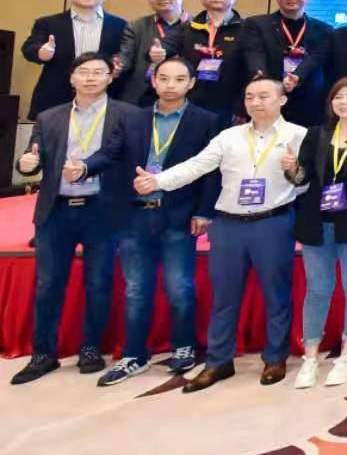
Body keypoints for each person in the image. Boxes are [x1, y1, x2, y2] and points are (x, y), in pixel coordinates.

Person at [135, 73, 308, 393]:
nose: (255, 102)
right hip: (228, 226)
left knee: (277, 294)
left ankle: (275, 357)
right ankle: (218, 361)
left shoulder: (299, 135)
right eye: (250, 97)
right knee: (224, 297)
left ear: (282, 99)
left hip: (273, 223)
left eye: (264, 96)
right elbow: (196, 166)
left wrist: (294, 170)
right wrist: (157, 181)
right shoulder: (228, 137)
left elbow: (307, 183)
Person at [10, 53, 137, 385]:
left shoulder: (128, 115)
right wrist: (25, 165)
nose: (91, 78)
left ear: (110, 77)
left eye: (98, 72)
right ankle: (43, 354)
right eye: (83, 72)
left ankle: (91, 348)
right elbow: (33, 160)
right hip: (56, 210)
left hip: (102, 210)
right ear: (71, 78)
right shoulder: (49, 117)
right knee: (48, 283)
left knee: (99, 282)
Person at [97, 57, 223, 387]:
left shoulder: (207, 120)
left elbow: (212, 171)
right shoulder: (133, 118)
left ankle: (184, 346)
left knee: (179, 286)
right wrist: (83, 167)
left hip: (178, 214)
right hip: (134, 215)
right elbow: (109, 154)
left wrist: (204, 211)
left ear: (191, 83)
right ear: (153, 81)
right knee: (136, 289)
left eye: (179, 79)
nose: (170, 85)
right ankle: (134, 355)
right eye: (164, 78)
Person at [283, 77, 347, 389]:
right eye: (338, 97)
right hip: (316, 220)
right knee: (317, 289)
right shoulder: (316, 133)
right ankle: (311, 356)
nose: (343, 102)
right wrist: (291, 169)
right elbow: (302, 178)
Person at [21, 0, 127, 118]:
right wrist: (41, 52)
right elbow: (28, 48)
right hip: (55, 98)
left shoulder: (121, 25)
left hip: (105, 98)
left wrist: (119, 64)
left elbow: (126, 55)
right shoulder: (48, 23)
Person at [240, 0, 332, 128]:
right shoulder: (256, 24)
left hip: (309, 103)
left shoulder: (324, 29)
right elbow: (254, 53)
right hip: (269, 99)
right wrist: (262, 79)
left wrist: (297, 76)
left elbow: (317, 58)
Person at [181, 0, 248, 125]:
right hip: (191, 102)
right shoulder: (187, 28)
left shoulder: (247, 29)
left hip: (230, 104)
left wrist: (242, 107)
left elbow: (250, 70)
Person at [114, 0, 189, 105]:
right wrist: (117, 64)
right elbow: (125, 55)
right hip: (143, 93)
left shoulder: (198, 25)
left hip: (186, 94)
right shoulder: (137, 26)